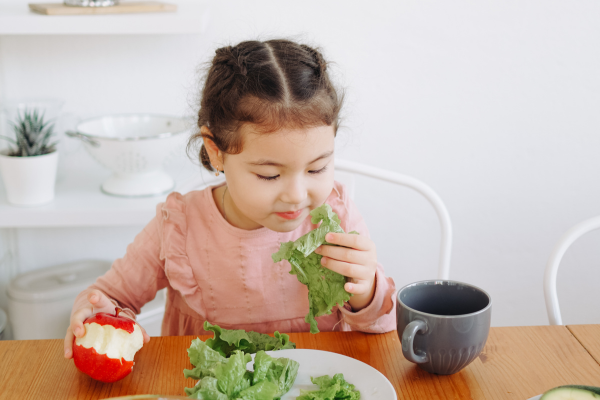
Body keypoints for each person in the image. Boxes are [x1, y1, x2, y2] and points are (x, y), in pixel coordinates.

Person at [64, 39, 396, 359]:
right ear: (216, 152)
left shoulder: (336, 215)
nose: (296, 195)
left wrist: (365, 290)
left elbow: (383, 327)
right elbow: (112, 296)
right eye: (269, 175)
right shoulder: (179, 226)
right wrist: (97, 312)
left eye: (318, 168)